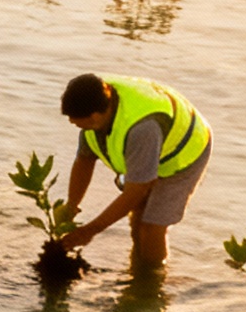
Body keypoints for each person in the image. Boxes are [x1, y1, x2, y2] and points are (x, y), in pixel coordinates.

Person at [56, 73, 211, 272]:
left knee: (151, 227)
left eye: (77, 121)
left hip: (185, 153)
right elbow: (84, 160)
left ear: (94, 117)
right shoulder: (94, 106)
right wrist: (71, 206)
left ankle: (152, 279)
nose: (73, 123)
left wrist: (90, 231)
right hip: (152, 145)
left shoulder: (142, 130)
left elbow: (136, 191)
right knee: (137, 217)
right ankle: (136, 270)